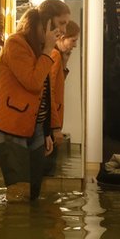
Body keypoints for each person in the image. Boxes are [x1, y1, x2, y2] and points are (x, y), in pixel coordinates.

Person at [0, 0, 71, 202]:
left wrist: (51, 129)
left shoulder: (48, 51)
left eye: (65, 24)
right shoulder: (16, 43)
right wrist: (47, 51)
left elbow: (47, 92)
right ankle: (16, 230)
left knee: (34, 191)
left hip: (36, 127)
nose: (63, 29)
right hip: (12, 125)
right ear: (46, 22)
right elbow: (33, 83)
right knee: (19, 192)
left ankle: (30, 232)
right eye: (60, 23)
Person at [46, 20, 80, 175]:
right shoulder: (53, 55)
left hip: (52, 118)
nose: (75, 45)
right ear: (62, 37)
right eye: (73, 41)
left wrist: (65, 62)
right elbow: (50, 91)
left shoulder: (57, 56)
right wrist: (55, 127)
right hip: (51, 120)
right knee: (49, 167)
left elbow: (57, 84)